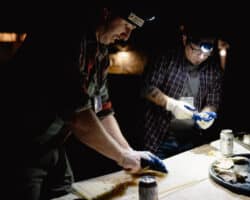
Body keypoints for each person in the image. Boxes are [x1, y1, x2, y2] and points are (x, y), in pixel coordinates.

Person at [6, 3, 164, 200]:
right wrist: (122, 157)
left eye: (132, 30)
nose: (126, 36)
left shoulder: (100, 51)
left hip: (53, 145)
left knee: (67, 192)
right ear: (106, 12)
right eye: (126, 25)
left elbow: (103, 109)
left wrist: (128, 151)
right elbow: (78, 116)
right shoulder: (64, 35)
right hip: (20, 148)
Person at [140, 24, 224, 159]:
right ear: (185, 40)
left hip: (191, 139)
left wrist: (207, 114)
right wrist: (172, 104)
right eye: (197, 51)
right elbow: (147, 88)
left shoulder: (214, 70)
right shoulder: (166, 59)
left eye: (207, 54)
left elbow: (212, 102)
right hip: (159, 137)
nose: (201, 57)